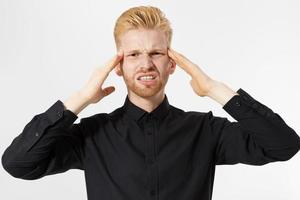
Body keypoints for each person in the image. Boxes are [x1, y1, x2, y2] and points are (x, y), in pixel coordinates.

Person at [2, 5, 300, 200]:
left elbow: (284, 145)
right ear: (118, 66)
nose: (146, 64)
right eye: (133, 55)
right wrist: (79, 100)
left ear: (172, 63)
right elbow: (17, 163)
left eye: (156, 53)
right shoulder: (91, 135)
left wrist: (214, 89)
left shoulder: (204, 130)